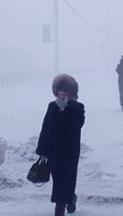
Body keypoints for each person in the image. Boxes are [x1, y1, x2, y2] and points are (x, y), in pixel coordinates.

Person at [36, 74, 85, 216]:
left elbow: (77, 125)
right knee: (58, 179)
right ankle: (63, 203)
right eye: (59, 94)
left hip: (70, 151)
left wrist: (66, 109)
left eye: (64, 94)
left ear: (70, 94)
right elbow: (45, 128)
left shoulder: (78, 108)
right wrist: (42, 150)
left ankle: (66, 202)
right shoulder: (52, 106)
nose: (61, 96)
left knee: (68, 178)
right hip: (53, 151)